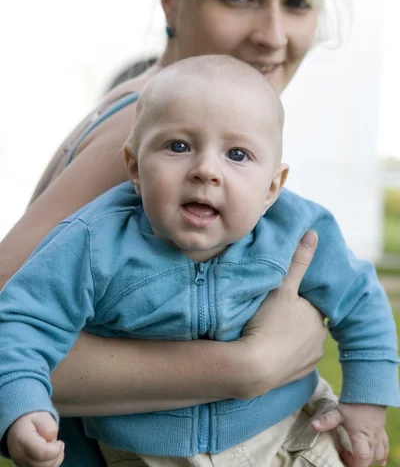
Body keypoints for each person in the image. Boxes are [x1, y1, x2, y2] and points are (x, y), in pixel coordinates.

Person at [0, 0, 368, 467]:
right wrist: (248, 366)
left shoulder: (159, 117)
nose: (274, 36)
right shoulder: (145, 141)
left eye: (296, 3)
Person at [1, 57, 398, 467]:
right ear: (135, 168)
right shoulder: (95, 242)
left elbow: (360, 299)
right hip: (150, 452)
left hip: (289, 432)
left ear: (272, 188)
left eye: (238, 154)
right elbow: (23, 321)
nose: (206, 170)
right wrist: (22, 405)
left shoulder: (296, 229)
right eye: (179, 146)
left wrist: (367, 402)